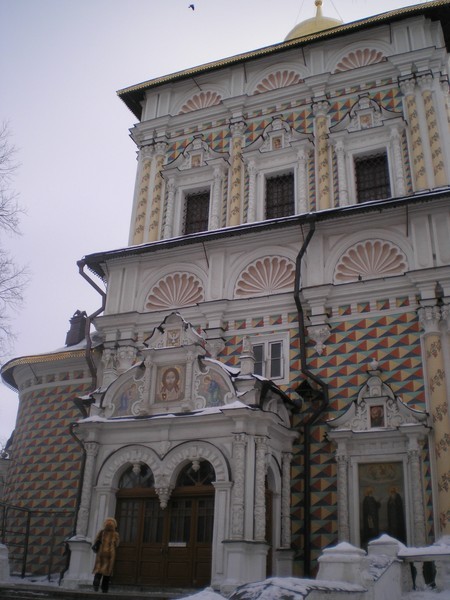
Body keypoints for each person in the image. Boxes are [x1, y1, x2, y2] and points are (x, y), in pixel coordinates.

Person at [92, 517, 120, 593]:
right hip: (110, 555)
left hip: (101, 554)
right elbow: (117, 544)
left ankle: (96, 582)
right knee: (107, 572)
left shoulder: (101, 532)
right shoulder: (115, 534)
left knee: (99, 569)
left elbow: (96, 540)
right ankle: (104, 588)